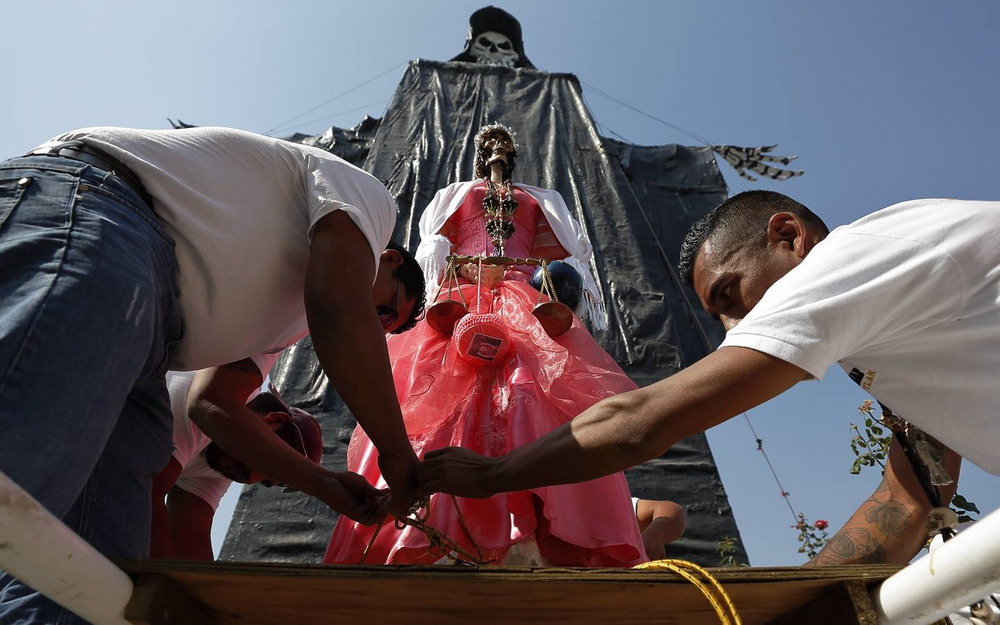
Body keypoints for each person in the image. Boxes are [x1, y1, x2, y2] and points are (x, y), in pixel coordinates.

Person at [418, 190, 1000, 567]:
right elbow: (908, 499)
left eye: (729, 294)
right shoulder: (893, 330)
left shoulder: (852, 259)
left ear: (789, 236)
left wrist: (494, 473)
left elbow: (638, 421)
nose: (733, 328)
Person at [0, 126, 425, 624]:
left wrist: (324, 485)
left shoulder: (275, 326)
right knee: (18, 467)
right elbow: (339, 306)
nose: (373, 325)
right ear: (389, 258)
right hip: (104, 211)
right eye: (385, 312)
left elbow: (215, 404)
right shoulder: (369, 200)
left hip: (152, 344)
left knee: (95, 578)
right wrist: (397, 456)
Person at [325, 123, 646, 567]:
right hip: (463, 293)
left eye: (504, 145)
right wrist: (453, 279)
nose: (498, 151)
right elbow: (435, 249)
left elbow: (564, 258)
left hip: (523, 294)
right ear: (480, 152)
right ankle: (438, 529)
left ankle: (534, 529)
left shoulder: (539, 200)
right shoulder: (457, 195)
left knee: (528, 390)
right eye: (491, 145)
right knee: (446, 397)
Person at [151, 369, 323, 560]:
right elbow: (143, 498)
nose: (251, 479)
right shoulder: (206, 406)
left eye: (265, 481)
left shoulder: (228, 455)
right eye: (267, 464)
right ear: (275, 420)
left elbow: (189, 538)